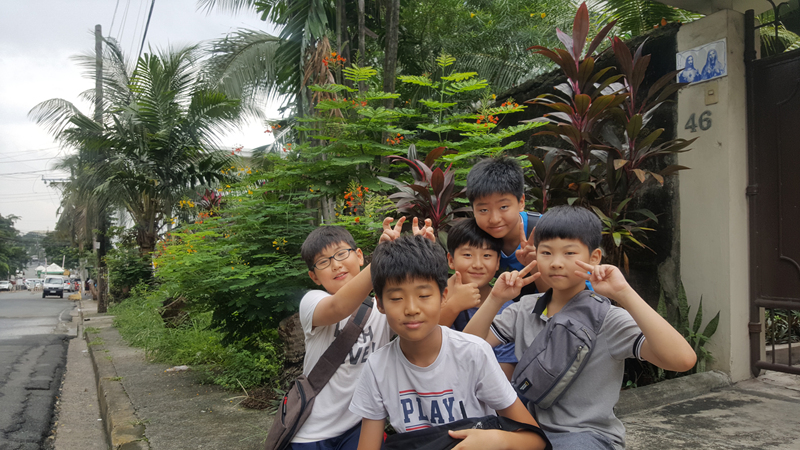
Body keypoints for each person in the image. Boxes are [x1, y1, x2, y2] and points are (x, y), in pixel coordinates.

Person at [464, 205, 697, 449]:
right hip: (531, 434)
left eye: (569, 253)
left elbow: (682, 360)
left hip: (589, 436)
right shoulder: (524, 309)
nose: (556, 263)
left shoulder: (607, 318)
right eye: (546, 253)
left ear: (594, 258)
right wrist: (495, 299)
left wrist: (624, 293)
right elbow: (466, 350)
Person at [349, 235, 549, 450]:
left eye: (424, 295)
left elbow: (535, 440)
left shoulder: (474, 353)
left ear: (444, 296)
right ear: (380, 303)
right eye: (396, 298)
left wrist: (496, 440)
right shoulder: (378, 367)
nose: (411, 309)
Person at [292, 217, 433, 450]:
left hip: (359, 426)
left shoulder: (382, 307)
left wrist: (420, 256)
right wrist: (381, 257)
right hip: (311, 432)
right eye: (323, 262)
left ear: (359, 256)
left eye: (341, 254)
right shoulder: (312, 302)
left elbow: (424, 321)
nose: (336, 265)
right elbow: (338, 307)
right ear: (314, 277)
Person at [438, 218, 517, 380]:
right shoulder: (434, 297)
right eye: (468, 255)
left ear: (497, 262)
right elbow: (422, 343)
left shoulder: (508, 310)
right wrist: (453, 306)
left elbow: (503, 377)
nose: (478, 264)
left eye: (487, 255)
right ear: (451, 260)